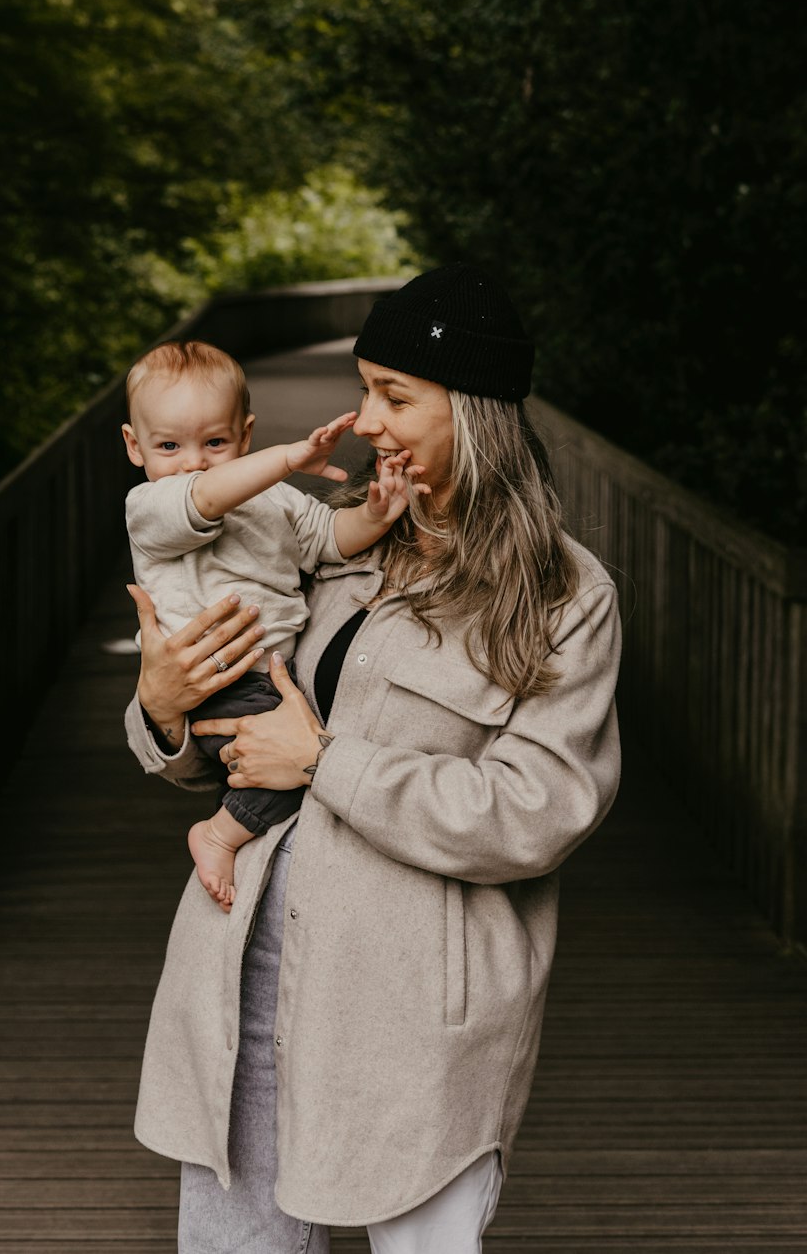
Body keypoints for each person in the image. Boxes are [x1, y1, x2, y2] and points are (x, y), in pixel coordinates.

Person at [124, 265, 622, 1253]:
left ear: (474, 412)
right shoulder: (341, 540)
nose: (365, 421)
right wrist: (162, 708)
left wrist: (327, 761)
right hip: (243, 973)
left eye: (395, 396)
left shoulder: (564, 594)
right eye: (363, 389)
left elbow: (539, 812)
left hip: (408, 1012)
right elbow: (232, 736)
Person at [122, 339, 428, 911]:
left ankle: (229, 832)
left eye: (215, 442)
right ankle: (217, 834)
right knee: (300, 779)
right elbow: (202, 497)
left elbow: (329, 540)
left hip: (266, 679)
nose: (192, 461)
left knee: (304, 766)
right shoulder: (151, 506)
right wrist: (288, 457)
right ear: (135, 447)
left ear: (245, 435)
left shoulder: (277, 502)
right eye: (169, 445)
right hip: (220, 684)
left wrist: (375, 514)